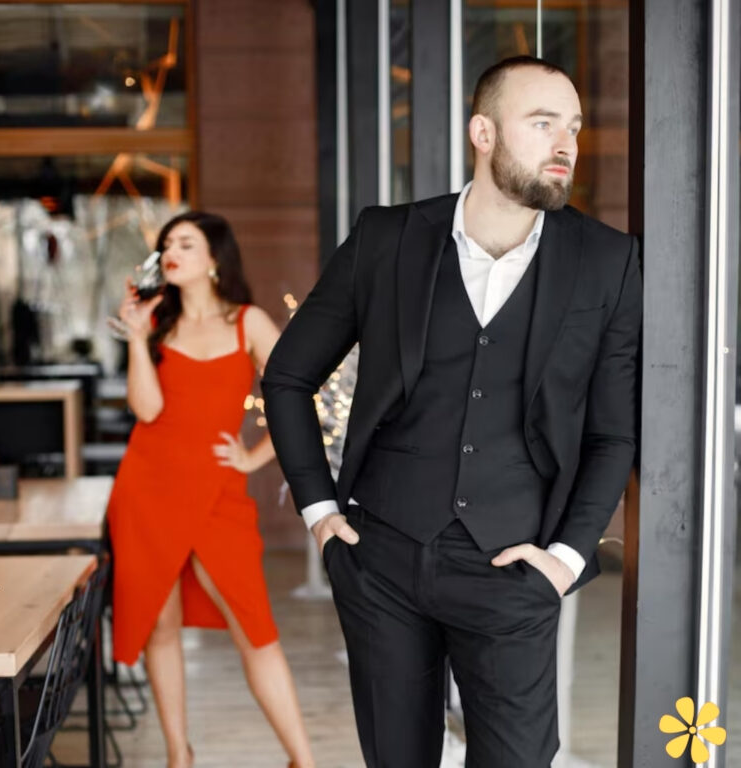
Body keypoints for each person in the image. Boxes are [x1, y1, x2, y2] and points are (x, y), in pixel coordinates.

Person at [261, 56, 642, 768]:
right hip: (380, 560)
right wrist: (320, 516)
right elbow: (287, 376)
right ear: (483, 132)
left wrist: (563, 560)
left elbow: (613, 430)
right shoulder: (387, 239)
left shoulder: (607, 261)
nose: (567, 144)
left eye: (575, 127)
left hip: (512, 569)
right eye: (542, 123)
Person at [106, 211, 315, 768]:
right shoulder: (159, 325)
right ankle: (180, 756)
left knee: (255, 627)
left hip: (219, 494)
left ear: (215, 258)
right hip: (147, 491)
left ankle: (303, 760)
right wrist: (134, 336)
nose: (171, 251)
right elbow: (146, 409)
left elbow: (302, 398)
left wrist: (253, 456)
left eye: (185, 243)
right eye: (166, 244)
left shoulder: (249, 322)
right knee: (161, 626)